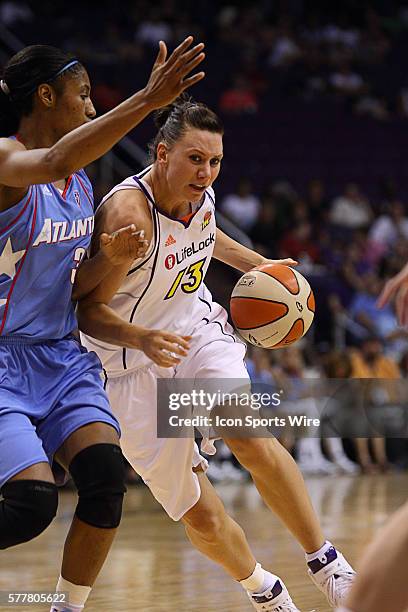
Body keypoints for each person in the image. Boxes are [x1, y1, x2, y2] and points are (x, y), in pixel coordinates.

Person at [78, 96, 355, 611]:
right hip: (128, 367)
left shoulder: (198, 194)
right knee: (201, 517)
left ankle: (328, 565)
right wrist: (141, 339)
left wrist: (261, 262)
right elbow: (86, 312)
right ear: (161, 155)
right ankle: (263, 590)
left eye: (215, 161)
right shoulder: (128, 216)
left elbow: (208, 236)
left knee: (248, 432)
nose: (207, 173)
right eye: (195, 159)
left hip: (196, 333)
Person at [0, 39, 205, 612]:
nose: (92, 108)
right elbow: (53, 161)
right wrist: (147, 100)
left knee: (104, 480)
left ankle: (66, 607)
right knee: (32, 503)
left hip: (60, 356)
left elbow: (83, 295)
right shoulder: (5, 160)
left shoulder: (82, 187)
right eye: (84, 95)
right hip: (2, 361)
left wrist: (111, 259)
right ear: (45, 96)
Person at [336, 262, 408, 612]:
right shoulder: (355, 359)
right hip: (349, 409)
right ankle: (369, 461)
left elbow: (392, 391)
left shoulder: (384, 363)